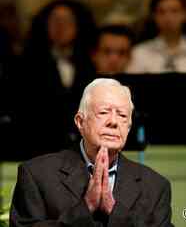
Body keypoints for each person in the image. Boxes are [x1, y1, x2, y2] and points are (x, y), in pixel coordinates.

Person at [10, 78, 174, 227]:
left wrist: (113, 209)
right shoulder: (38, 175)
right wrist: (86, 206)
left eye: (122, 115)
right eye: (103, 112)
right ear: (80, 122)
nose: (113, 122)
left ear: (129, 128)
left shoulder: (155, 187)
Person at [19, 0, 97, 155]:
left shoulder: (91, 61)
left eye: (67, 20)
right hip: (41, 147)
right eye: (55, 20)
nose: (60, 26)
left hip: (85, 148)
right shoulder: (27, 64)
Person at [127, 0, 186, 73]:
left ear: (185, 14)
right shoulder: (139, 53)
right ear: (153, 16)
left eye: (174, 11)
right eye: (161, 12)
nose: (168, 18)